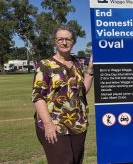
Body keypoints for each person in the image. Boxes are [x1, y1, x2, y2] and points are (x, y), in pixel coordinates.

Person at [31, 25, 94, 164]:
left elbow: (81, 91)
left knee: (75, 161)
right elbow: (38, 97)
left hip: (77, 123)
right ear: (55, 41)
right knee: (63, 161)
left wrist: (89, 71)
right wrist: (48, 124)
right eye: (60, 39)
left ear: (73, 41)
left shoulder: (77, 63)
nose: (64, 42)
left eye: (68, 39)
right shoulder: (45, 65)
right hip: (54, 124)